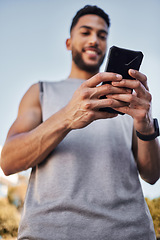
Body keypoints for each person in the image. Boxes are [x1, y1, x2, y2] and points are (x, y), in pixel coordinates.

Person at [1, 5, 160, 240]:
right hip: (50, 233)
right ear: (68, 42)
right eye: (86, 32)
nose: (94, 39)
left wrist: (146, 127)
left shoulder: (131, 98)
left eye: (102, 35)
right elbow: (8, 161)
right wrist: (66, 117)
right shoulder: (41, 91)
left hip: (130, 232)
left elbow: (152, 174)